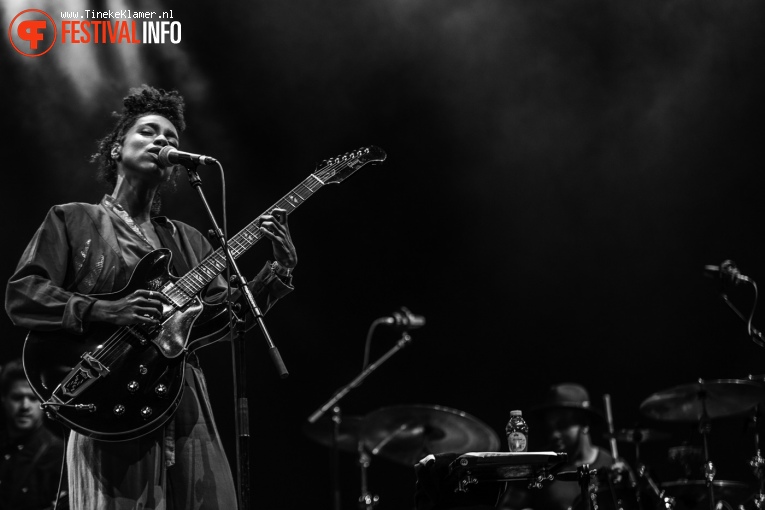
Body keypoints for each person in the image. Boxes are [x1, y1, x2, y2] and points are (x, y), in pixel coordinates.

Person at [5, 85, 298, 509]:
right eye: (148, 132)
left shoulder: (188, 239)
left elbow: (226, 319)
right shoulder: (72, 219)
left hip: (184, 397)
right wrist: (107, 308)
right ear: (115, 149)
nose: (163, 141)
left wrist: (279, 269)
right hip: (105, 394)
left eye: (172, 138)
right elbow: (23, 295)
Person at [498, 383, 635, 510]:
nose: (554, 435)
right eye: (550, 428)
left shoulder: (614, 466)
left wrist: (628, 487)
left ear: (585, 424)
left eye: (562, 425)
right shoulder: (537, 467)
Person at [0, 358, 65, 510]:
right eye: (17, 397)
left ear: (43, 402)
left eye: (32, 398)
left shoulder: (59, 454)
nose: (25, 406)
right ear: (3, 398)